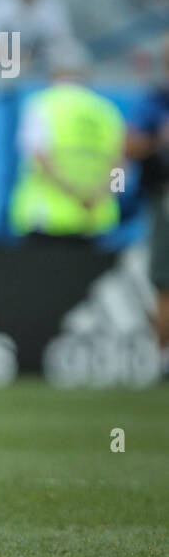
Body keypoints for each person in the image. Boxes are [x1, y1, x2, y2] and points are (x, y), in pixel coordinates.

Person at [9, 41, 125, 239]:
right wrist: (102, 194)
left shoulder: (42, 105)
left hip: (46, 218)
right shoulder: (108, 111)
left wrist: (75, 193)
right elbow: (120, 166)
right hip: (96, 220)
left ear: (52, 71)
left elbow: (37, 159)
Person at [123, 36, 169, 366]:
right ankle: (163, 359)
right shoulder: (156, 101)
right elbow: (130, 146)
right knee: (165, 281)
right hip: (164, 197)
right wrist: (158, 139)